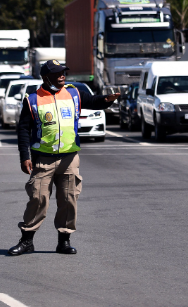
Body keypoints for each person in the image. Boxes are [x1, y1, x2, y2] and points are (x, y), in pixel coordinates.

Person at [8, 59, 120, 256]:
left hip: (69, 158)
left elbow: (93, 102)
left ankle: (64, 241)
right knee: (38, 198)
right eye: (57, 73)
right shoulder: (32, 100)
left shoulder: (73, 93)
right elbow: (23, 129)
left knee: (69, 200)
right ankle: (27, 241)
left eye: (63, 73)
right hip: (43, 159)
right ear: (46, 77)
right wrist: (24, 156)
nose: (62, 76)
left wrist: (107, 99)